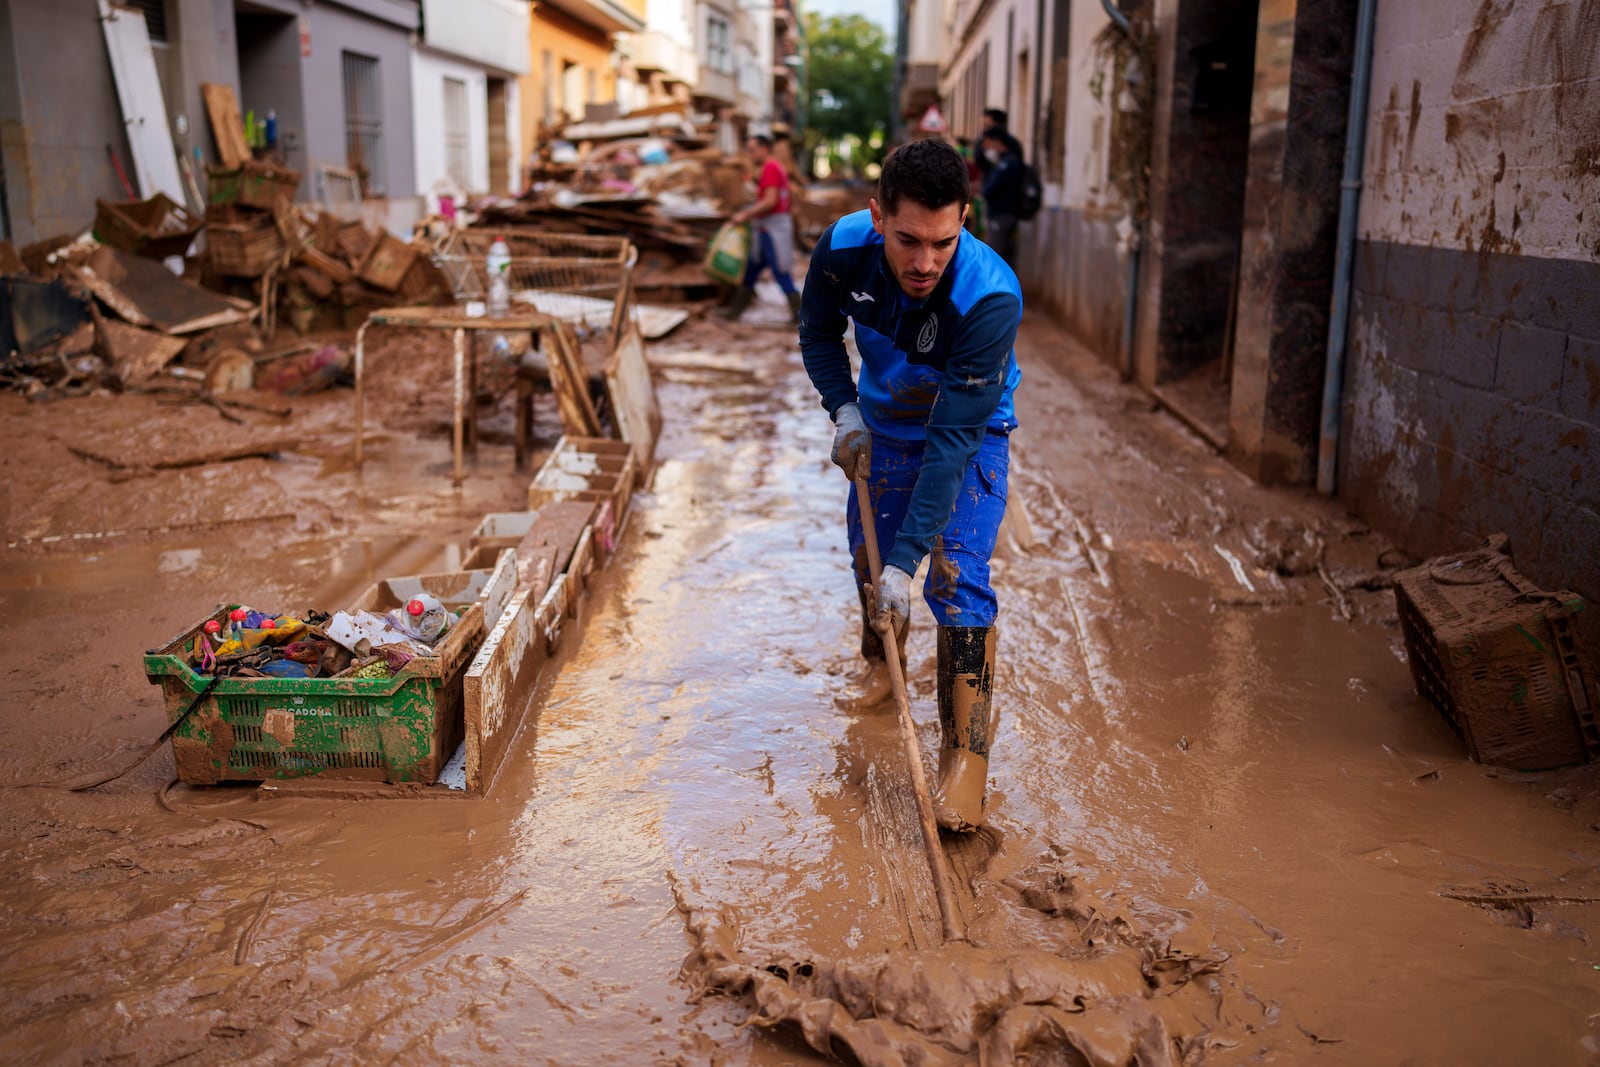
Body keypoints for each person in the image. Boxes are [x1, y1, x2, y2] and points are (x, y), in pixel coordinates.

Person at [798, 139, 1023, 832]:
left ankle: (967, 761)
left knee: (953, 573)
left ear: (965, 221)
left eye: (943, 241)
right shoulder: (841, 249)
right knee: (870, 557)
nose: (925, 261)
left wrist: (912, 560)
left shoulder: (989, 295)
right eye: (907, 240)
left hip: (967, 425)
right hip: (885, 420)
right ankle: (879, 664)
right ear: (876, 218)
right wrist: (844, 408)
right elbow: (816, 331)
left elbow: (953, 442)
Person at [719, 133, 801, 322]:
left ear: (764, 149)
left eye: (752, 150)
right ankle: (735, 311)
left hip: (771, 229)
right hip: (767, 227)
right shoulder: (771, 168)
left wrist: (745, 215)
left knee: (780, 271)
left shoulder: (771, 167)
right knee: (752, 269)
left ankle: (799, 315)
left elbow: (770, 201)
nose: (749, 154)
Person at [979, 126, 1023, 269]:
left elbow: (988, 189)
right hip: (1005, 215)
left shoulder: (1007, 163)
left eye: (987, 142)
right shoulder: (1006, 161)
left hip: (1002, 215)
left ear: (997, 142)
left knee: (994, 258)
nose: (985, 147)